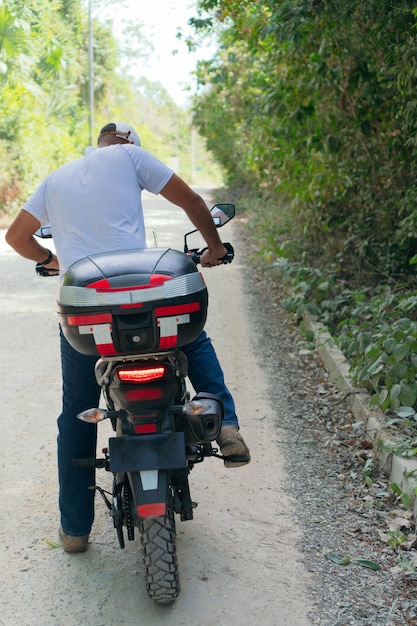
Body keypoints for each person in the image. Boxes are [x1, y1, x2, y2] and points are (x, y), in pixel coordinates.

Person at [6, 121, 250, 553]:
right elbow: (192, 201)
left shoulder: (54, 179)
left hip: (87, 309)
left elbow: (16, 237)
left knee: (77, 412)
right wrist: (212, 248)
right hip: (140, 300)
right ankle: (226, 424)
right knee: (191, 334)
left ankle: (76, 530)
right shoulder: (130, 156)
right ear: (128, 144)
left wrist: (51, 259)